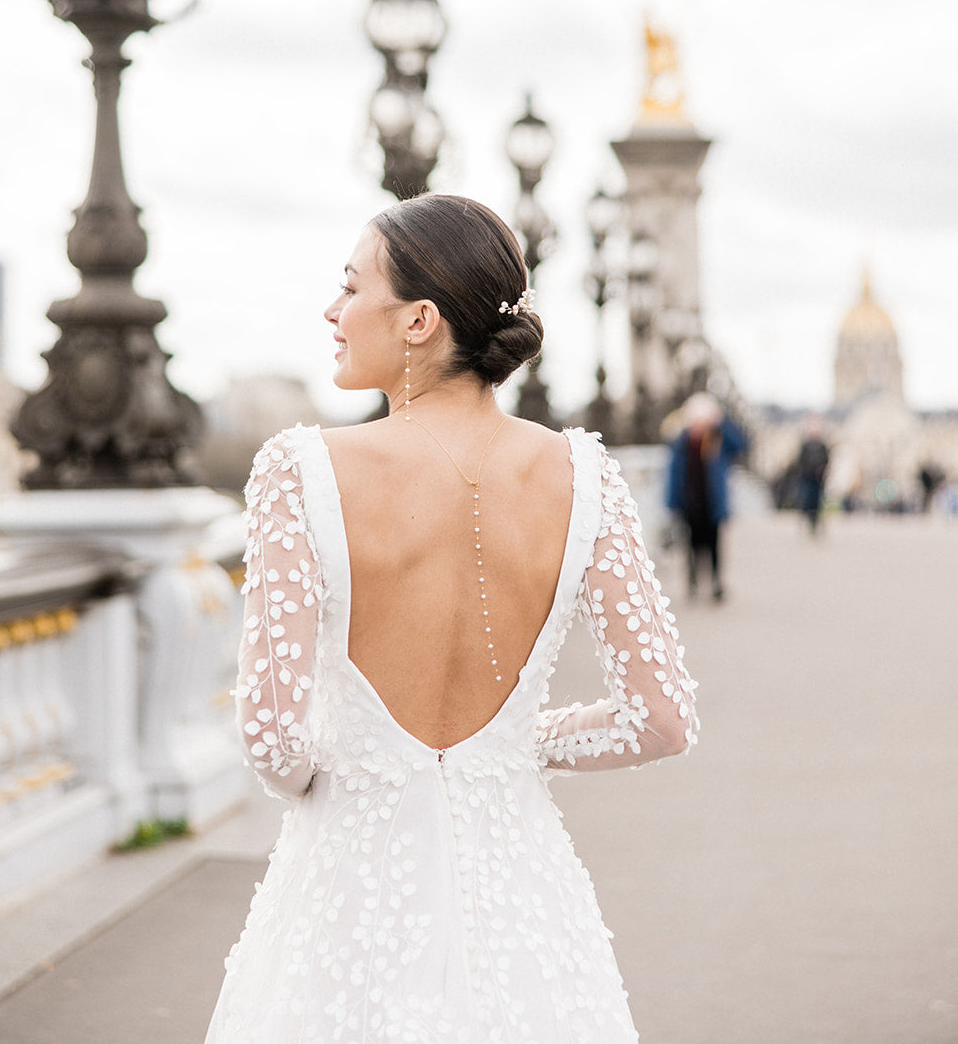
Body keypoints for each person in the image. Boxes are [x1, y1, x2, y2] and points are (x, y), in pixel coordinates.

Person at [206, 195, 697, 1044]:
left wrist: (362, 761)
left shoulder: (301, 470)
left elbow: (275, 745)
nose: (332, 309)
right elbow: (660, 722)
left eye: (351, 287)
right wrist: (514, 746)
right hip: (517, 887)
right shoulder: (584, 474)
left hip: (349, 889)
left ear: (419, 321)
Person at [665, 392, 745, 602]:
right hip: (689, 504)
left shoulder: (717, 439)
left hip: (712, 502)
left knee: (714, 544)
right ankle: (692, 583)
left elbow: (741, 445)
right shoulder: (681, 443)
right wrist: (672, 503)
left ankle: (716, 582)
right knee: (691, 546)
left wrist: (721, 422)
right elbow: (673, 474)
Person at [793, 420, 831, 534]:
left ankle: (814, 523)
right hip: (807, 478)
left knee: (816, 503)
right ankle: (805, 520)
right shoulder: (805, 446)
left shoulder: (822, 446)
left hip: (818, 479)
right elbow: (800, 461)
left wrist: (821, 469)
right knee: (806, 501)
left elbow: (826, 460)